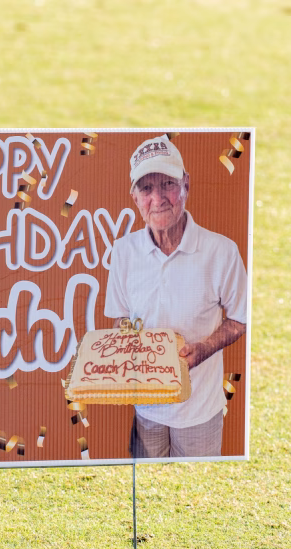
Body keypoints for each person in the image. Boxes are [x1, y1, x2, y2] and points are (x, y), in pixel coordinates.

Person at [104, 134, 247, 458]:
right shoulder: (124, 252)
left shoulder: (221, 251)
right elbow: (121, 316)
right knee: (149, 496)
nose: (158, 198)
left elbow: (241, 317)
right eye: (146, 188)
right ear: (135, 198)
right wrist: (126, 343)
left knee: (194, 500)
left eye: (167, 184)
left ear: (186, 185)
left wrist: (204, 349)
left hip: (200, 412)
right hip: (146, 410)